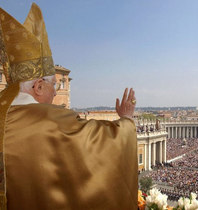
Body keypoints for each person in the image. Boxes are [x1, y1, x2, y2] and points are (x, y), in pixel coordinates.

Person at [0, 3, 137, 210]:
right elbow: (103, 145)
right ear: (38, 86)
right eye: (53, 85)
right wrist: (126, 121)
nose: (56, 92)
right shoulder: (51, 119)